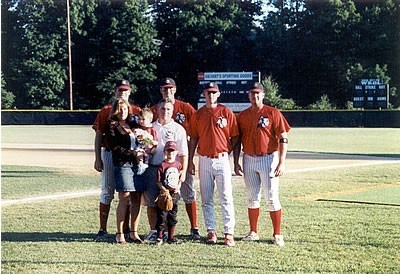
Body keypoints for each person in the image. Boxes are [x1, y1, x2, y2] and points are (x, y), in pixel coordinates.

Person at [233, 82, 291, 247]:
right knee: (252, 197)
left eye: (258, 93)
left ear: (263, 95)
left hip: (268, 158)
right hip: (249, 158)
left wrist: (281, 162)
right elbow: (237, 142)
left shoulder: (273, 112)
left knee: (272, 197)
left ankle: (277, 234)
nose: (255, 96)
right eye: (252, 93)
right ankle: (253, 232)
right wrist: (236, 161)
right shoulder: (242, 115)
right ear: (248, 95)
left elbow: (283, 137)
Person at [188, 82, 239, 247]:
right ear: (204, 94)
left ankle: (228, 232)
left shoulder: (226, 112)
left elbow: (235, 136)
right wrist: (190, 161)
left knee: (226, 196)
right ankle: (211, 230)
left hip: (222, 159)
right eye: (208, 92)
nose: (210, 95)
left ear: (218, 94)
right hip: (204, 159)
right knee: (207, 197)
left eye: (213, 92)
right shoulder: (198, 114)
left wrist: (227, 151)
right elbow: (194, 138)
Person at [151, 78, 200, 239]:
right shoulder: (154, 118)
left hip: (178, 165)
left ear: (175, 89)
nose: (168, 91)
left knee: (187, 194)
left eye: (170, 88)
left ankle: (194, 228)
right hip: (158, 166)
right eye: (165, 89)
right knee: (156, 200)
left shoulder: (185, 110)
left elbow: (193, 132)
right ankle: (157, 232)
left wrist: (186, 168)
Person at [92, 79, 141, 241]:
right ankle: (102, 229)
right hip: (109, 152)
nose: (122, 93)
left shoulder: (135, 111)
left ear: (130, 92)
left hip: (131, 157)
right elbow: (99, 135)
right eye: (120, 90)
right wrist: (97, 158)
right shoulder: (106, 111)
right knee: (107, 190)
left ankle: (127, 229)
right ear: (115, 92)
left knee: (128, 192)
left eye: (125, 90)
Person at [143, 98, 188, 243]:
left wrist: (184, 171)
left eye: (168, 109)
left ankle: (168, 233)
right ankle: (154, 231)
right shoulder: (151, 127)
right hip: (153, 166)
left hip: (172, 169)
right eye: (162, 109)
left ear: (173, 111)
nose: (165, 112)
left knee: (170, 203)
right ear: (157, 109)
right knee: (152, 201)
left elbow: (183, 153)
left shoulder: (178, 128)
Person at [106, 98, 145, 244]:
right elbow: (115, 148)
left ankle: (134, 232)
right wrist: (132, 153)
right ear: (115, 110)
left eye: (125, 109)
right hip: (123, 164)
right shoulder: (112, 126)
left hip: (138, 165)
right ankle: (120, 233)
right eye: (119, 109)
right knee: (124, 197)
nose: (122, 112)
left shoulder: (133, 124)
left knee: (136, 198)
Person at [155, 141, 183, 245]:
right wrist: (164, 190)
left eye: (172, 151)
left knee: (173, 215)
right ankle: (160, 236)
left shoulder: (178, 165)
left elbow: (179, 179)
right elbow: (158, 181)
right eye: (168, 151)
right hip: (165, 194)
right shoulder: (162, 165)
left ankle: (171, 236)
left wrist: (178, 187)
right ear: (164, 152)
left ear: (176, 152)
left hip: (174, 194)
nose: (170, 153)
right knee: (162, 215)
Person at [133, 108, 158, 176]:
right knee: (138, 153)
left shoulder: (151, 129)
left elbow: (155, 141)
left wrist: (154, 147)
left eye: (143, 119)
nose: (141, 121)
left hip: (148, 147)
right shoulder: (138, 128)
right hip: (140, 146)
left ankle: (145, 164)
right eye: (139, 119)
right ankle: (140, 165)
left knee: (146, 156)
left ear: (150, 120)